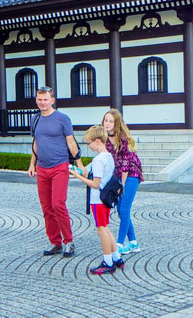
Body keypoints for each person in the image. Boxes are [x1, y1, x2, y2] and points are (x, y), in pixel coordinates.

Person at [27, 86, 84, 257]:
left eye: (45, 99)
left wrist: (80, 164)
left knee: (58, 204)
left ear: (52, 100)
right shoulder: (34, 119)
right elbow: (36, 143)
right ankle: (55, 242)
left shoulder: (62, 118)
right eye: (39, 99)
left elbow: (71, 142)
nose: (42, 102)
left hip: (60, 166)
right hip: (42, 168)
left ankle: (69, 241)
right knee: (46, 208)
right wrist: (32, 164)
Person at [71, 125, 124, 275]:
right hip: (106, 199)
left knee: (101, 229)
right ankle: (116, 257)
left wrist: (78, 177)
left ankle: (107, 262)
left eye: (89, 142)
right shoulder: (108, 156)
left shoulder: (99, 160)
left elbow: (95, 184)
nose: (88, 146)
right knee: (105, 227)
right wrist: (81, 171)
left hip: (98, 200)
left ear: (97, 141)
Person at [102, 109, 144, 255]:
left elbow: (126, 164)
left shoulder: (123, 139)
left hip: (131, 174)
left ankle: (119, 243)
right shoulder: (104, 140)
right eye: (105, 120)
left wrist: (122, 185)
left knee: (124, 209)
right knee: (120, 210)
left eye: (110, 121)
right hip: (117, 176)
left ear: (117, 123)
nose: (107, 123)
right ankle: (133, 242)